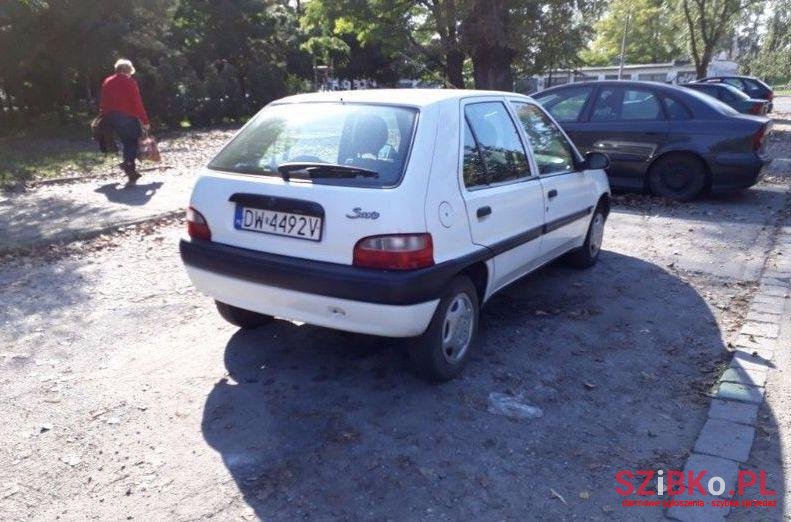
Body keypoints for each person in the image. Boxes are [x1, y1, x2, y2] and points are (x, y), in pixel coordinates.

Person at [99, 59, 149, 183]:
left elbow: (104, 101)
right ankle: (128, 164)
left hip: (112, 117)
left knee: (126, 142)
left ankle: (131, 171)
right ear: (128, 70)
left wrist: (104, 117)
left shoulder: (108, 81)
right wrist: (145, 120)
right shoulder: (129, 81)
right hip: (127, 116)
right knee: (133, 141)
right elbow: (137, 101)